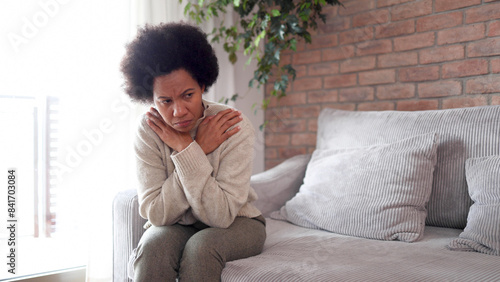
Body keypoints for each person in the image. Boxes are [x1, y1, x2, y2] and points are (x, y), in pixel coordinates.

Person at [119, 22, 266, 281]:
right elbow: (156, 213)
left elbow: (220, 216)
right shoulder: (148, 130)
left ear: (203, 86)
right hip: (178, 224)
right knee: (153, 247)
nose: (178, 111)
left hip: (238, 223)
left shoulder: (233, 125)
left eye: (188, 95)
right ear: (150, 98)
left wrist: (187, 148)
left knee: (201, 248)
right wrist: (194, 150)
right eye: (165, 101)